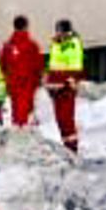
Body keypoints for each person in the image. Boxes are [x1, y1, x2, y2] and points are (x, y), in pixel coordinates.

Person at [47, 18, 86, 154]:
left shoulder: (72, 45)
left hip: (65, 89)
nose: (57, 34)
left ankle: (72, 149)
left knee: (66, 120)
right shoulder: (57, 45)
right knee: (61, 121)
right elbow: (54, 66)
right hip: (56, 90)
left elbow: (74, 67)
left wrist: (68, 83)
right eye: (57, 31)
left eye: (59, 31)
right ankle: (67, 148)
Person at [1, 14, 44, 128]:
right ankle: (24, 135)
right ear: (26, 26)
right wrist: (38, 80)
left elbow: (3, 65)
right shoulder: (32, 45)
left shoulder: (7, 46)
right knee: (25, 111)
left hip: (13, 83)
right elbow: (38, 65)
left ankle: (17, 132)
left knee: (16, 110)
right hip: (28, 83)